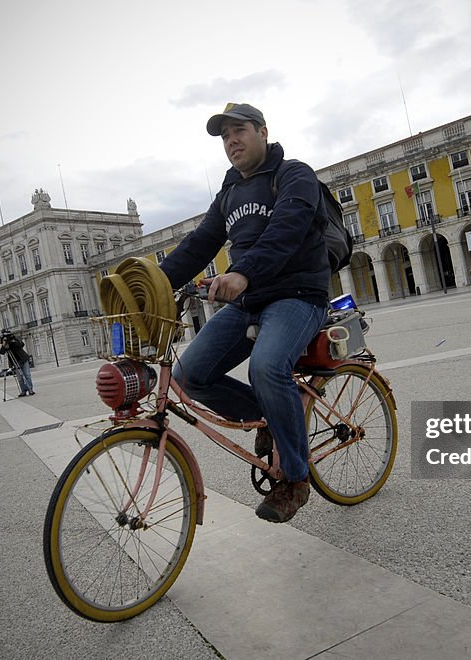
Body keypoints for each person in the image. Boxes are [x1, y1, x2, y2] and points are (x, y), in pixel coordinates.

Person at [158, 102, 331, 524]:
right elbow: (199, 245)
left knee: (268, 367)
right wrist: (154, 286)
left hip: (298, 294)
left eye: (239, 131)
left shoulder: (294, 175)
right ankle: (271, 416)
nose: (231, 141)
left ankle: (295, 477)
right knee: (187, 376)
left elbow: (286, 228)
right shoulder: (230, 193)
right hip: (249, 300)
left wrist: (243, 273)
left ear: (263, 131)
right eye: (224, 136)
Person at [0, 330, 35, 397]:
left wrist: (14, 341)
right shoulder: (5, 343)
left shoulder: (15, 338)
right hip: (15, 362)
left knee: (27, 375)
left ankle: (30, 390)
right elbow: (1, 352)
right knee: (20, 378)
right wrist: (4, 344)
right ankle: (23, 391)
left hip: (23, 359)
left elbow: (21, 344)